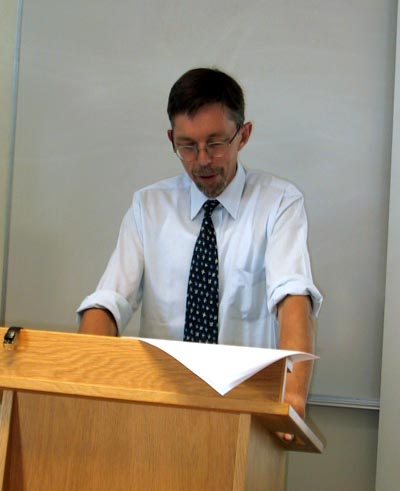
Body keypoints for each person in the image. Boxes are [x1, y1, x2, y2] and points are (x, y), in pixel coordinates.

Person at [78, 67, 322, 420]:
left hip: (245, 411)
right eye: (187, 146)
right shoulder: (149, 206)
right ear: (171, 139)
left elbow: (293, 296)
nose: (203, 160)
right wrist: (84, 379)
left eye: (216, 143)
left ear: (243, 135)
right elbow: (109, 301)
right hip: (161, 408)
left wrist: (292, 400)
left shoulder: (279, 203)